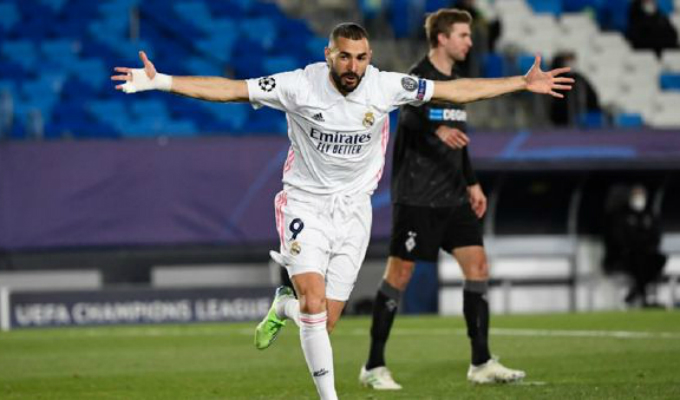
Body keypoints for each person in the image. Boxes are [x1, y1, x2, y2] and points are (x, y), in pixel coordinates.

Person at [111, 22, 573, 400]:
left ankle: (284, 305)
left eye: (362, 58)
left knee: (323, 320)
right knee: (315, 305)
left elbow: (455, 91)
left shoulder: (385, 86)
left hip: (354, 211)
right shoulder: (298, 85)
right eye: (345, 57)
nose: (354, 67)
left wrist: (520, 82)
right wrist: (161, 81)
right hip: (305, 203)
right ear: (329, 54)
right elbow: (230, 89)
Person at [358, 9, 524, 390]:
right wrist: (438, 128)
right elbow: (407, 117)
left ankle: (481, 362)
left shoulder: (457, 83)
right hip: (416, 195)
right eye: (463, 35)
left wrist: (472, 183)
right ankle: (373, 365)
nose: (469, 42)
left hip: (453, 195)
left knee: (478, 267)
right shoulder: (417, 77)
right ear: (442, 38)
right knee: (399, 276)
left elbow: (460, 142)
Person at [603, 184, 667, 307]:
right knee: (638, 261)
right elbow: (619, 239)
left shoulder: (649, 215)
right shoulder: (622, 215)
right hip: (626, 256)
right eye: (636, 195)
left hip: (647, 254)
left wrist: (647, 245)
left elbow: (656, 236)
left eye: (641, 195)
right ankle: (642, 296)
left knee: (658, 259)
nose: (639, 198)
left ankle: (637, 292)